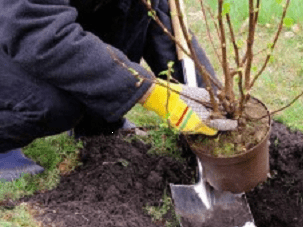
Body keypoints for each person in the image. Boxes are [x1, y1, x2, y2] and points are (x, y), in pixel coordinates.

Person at [0, 0, 237, 183]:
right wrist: (144, 90)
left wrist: (209, 98)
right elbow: (36, 28)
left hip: (32, 27)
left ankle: (98, 124)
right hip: (19, 26)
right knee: (55, 105)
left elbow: (157, 18)